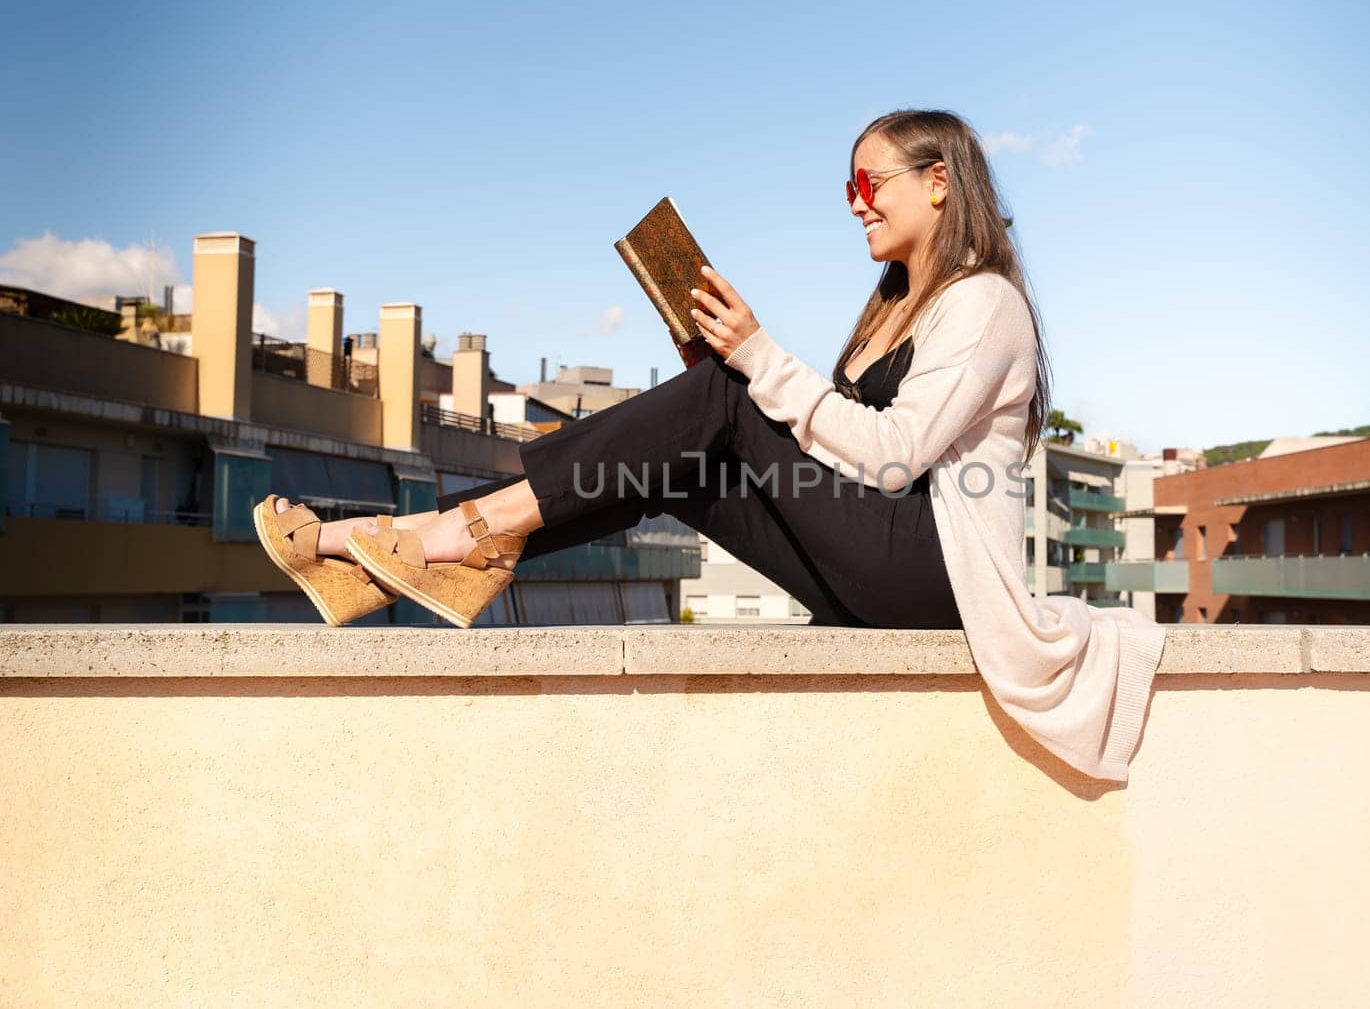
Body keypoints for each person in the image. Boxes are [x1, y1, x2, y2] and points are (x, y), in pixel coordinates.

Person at [256, 107, 1167, 783]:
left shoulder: (984, 303)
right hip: (878, 559)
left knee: (723, 396)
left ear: (939, 181)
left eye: (870, 182)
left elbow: (893, 456)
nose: (856, 204)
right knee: (690, 446)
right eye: (849, 188)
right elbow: (827, 446)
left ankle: (448, 536)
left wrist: (751, 361)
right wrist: (722, 371)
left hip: (940, 572)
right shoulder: (892, 309)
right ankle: (409, 561)